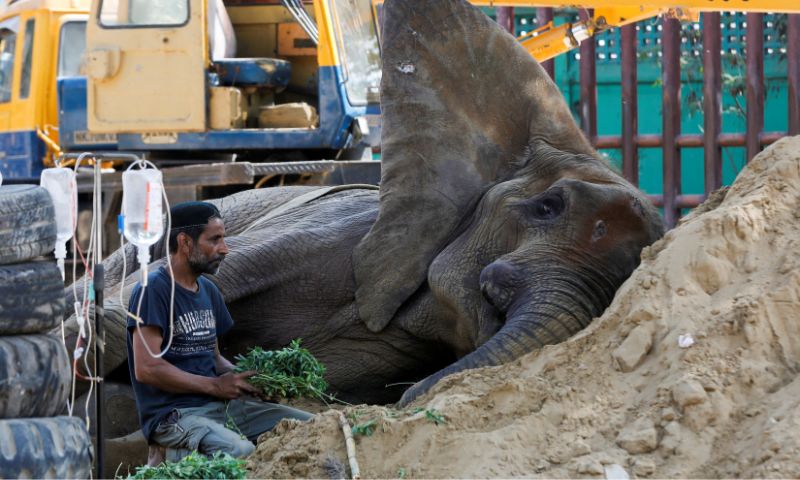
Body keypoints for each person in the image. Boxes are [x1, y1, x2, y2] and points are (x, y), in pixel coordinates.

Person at [126, 201, 312, 462]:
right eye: (214, 240)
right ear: (185, 242)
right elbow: (146, 368)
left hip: (217, 406)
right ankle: (174, 459)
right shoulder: (152, 290)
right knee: (238, 450)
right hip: (174, 416)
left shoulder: (209, 291)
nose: (224, 249)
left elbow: (213, 359)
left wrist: (247, 379)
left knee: (311, 426)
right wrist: (215, 386)